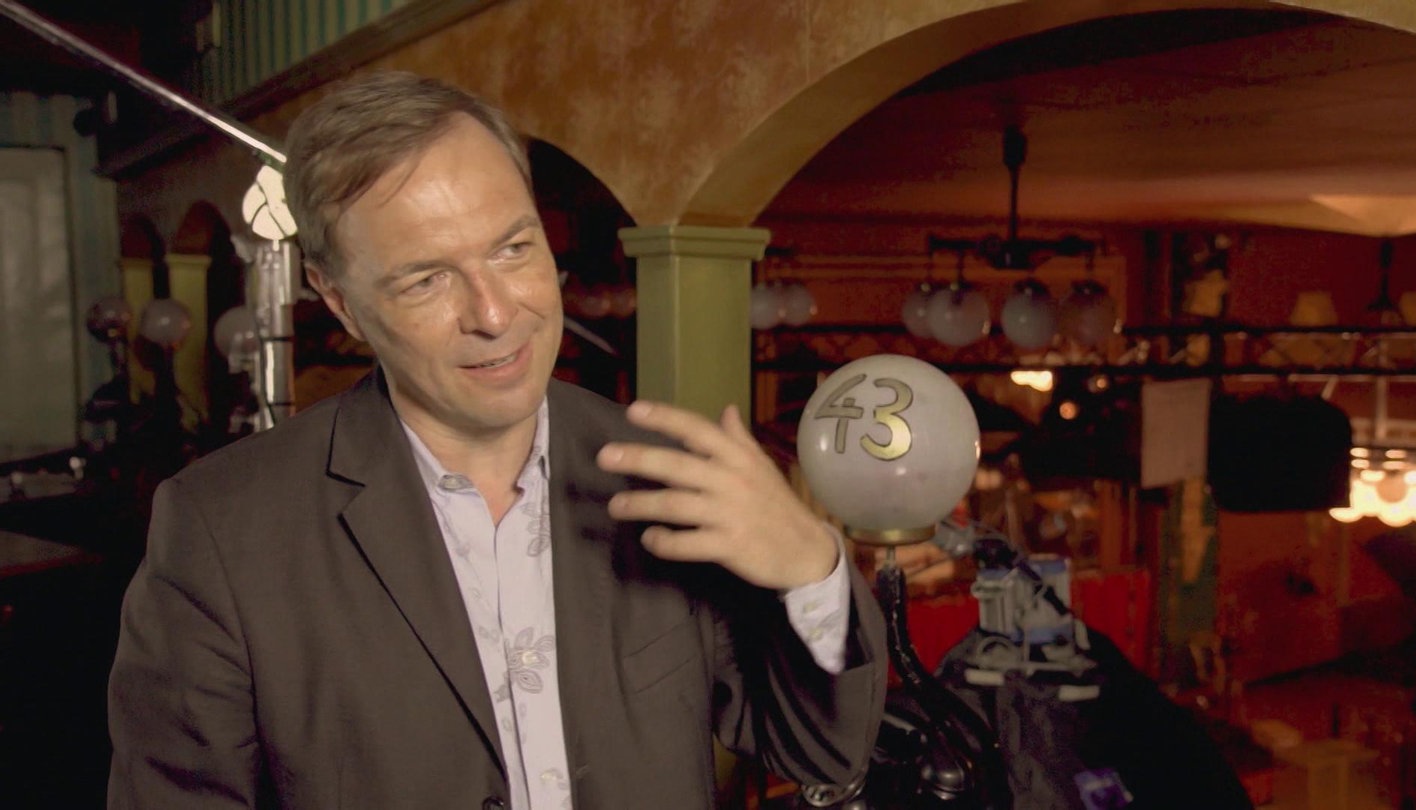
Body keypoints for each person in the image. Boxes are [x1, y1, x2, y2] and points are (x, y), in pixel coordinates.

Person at [107, 70, 887, 809]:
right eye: (427, 279)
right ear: (339, 301)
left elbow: (825, 752)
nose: (494, 313)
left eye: (513, 249)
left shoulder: (665, 476)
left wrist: (810, 569)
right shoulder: (220, 532)